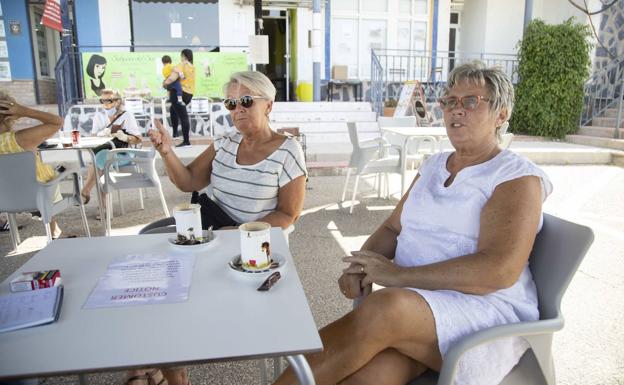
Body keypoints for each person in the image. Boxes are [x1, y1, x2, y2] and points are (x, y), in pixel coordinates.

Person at [274, 61, 554, 385]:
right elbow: (394, 228)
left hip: (482, 312)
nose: (455, 110)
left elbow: (499, 271)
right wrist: (359, 266)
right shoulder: (434, 165)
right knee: (368, 375)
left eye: (470, 101)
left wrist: (399, 275)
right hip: (420, 310)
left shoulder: (514, 176)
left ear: (501, 115)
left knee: (386, 308)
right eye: (450, 101)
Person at [150, 70, 307, 231]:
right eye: (231, 103)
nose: (238, 108)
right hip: (216, 238)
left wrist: (240, 232)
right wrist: (166, 152)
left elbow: (288, 214)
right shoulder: (224, 143)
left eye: (246, 101)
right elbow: (188, 181)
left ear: (268, 106)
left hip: (259, 246)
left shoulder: (288, 150)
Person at [0, 91, 65, 238]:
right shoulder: (20, 139)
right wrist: (24, 111)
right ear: (10, 117)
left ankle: (51, 225)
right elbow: (57, 122)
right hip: (37, 195)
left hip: (5, 198)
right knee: (51, 174)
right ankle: (51, 225)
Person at [80, 89, 142, 218]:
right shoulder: (99, 116)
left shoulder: (127, 115)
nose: (105, 104)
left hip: (123, 152)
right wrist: (101, 134)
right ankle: (103, 206)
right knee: (101, 159)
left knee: (99, 160)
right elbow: (93, 136)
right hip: (104, 152)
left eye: (109, 100)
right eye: (102, 101)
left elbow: (138, 138)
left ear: (118, 101)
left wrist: (125, 137)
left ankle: (86, 191)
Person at [162, 49, 195, 146]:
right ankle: (175, 133)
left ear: (183, 55)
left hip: (178, 93)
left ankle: (186, 141)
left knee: (183, 116)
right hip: (189, 94)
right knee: (173, 109)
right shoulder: (192, 67)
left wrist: (165, 83)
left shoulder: (181, 65)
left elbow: (172, 78)